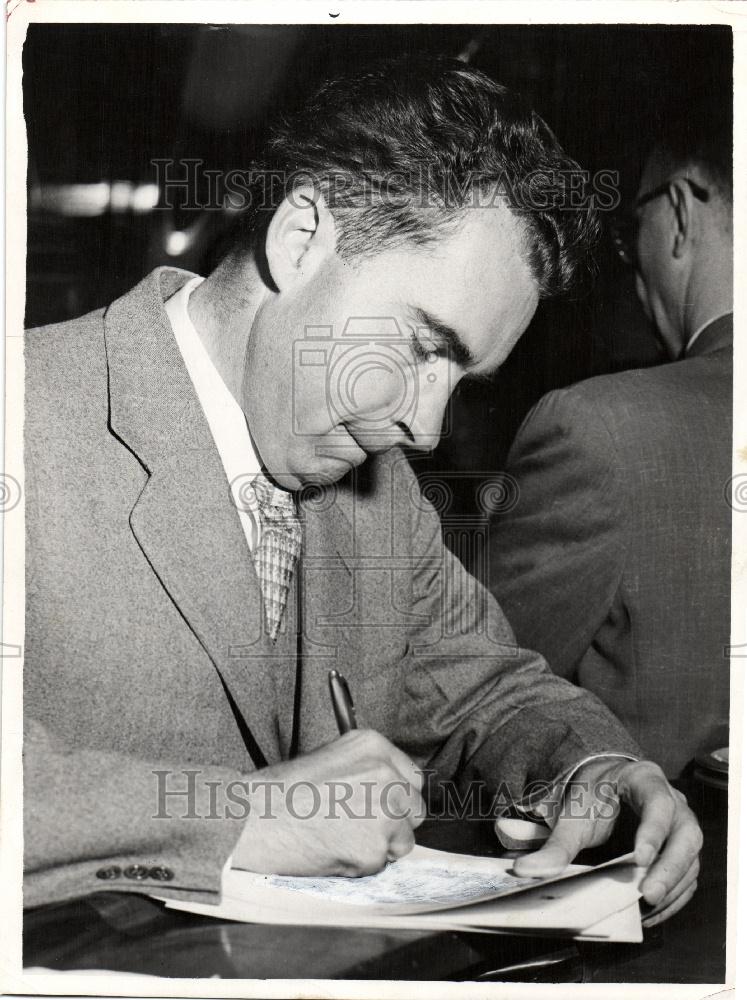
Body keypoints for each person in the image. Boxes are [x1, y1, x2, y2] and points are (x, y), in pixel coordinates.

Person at [24, 55, 700, 927]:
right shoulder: (25, 417)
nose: (422, 430)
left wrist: (593, 769)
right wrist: (245, 816)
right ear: (301, 236)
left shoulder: (378, 498)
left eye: (463, 379)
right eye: (422, 347)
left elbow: (488, 690)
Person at [486, 93, 732, 779]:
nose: (632, 267)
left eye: (631, 234)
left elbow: (470, 693)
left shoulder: (594, 430)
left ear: (680, 213)